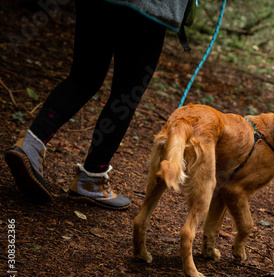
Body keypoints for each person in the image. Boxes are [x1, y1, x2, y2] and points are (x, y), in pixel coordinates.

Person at [5, 0, 191, 210]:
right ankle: (92, 178)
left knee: (82, 78)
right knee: (126, 95)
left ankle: (30, 145)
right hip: (148, 8)